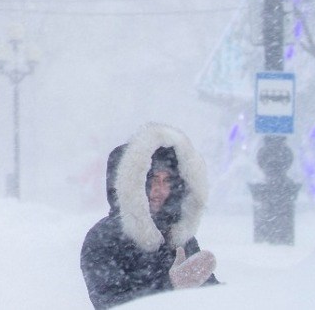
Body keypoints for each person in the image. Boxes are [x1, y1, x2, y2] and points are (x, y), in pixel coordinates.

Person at [80, 123, 219, 308]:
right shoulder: (104, 237)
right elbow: (109, 303)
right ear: (131, 183)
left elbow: (212, 299)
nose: (159, 190)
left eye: (167, 180)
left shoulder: (178, 236)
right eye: (152, 179)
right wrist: (170, 287)